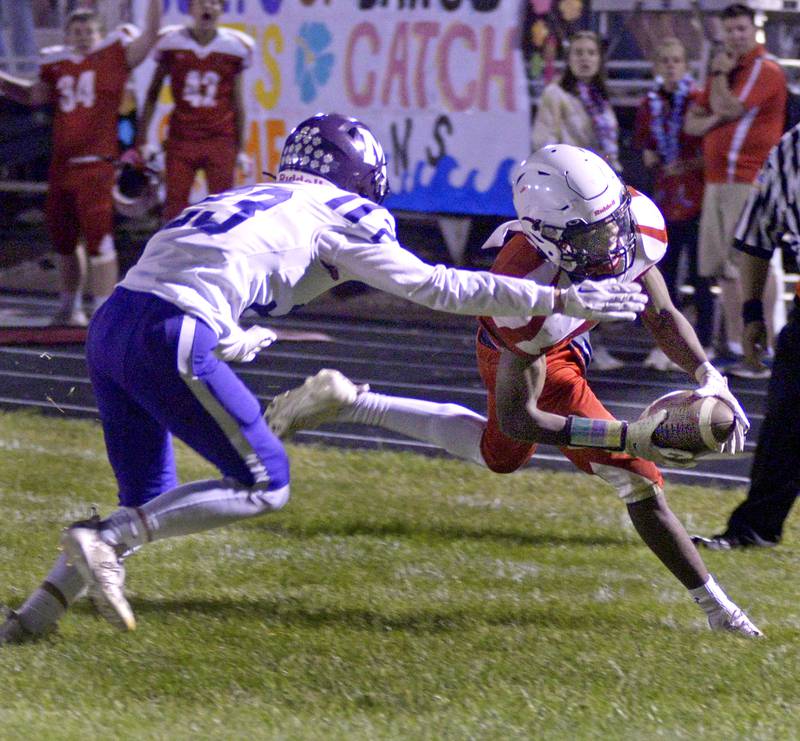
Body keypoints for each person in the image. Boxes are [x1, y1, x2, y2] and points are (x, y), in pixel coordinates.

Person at [0, 114, 649, 644]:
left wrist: (228, 333)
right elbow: (437, 285)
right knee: (265, 482)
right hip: (170, 327)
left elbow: (192, 264)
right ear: (360, 181)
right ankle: (104, 538)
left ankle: (35, 617)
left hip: (114, 322)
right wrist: (566, 302)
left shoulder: (243, 197)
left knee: (151, 494)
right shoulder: (345, 211)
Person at [266, 145, 762, 637]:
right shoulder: (521, 295)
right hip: (535, 350)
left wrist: (707, 374)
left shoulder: (627, 223)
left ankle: (720, 612)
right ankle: (355, 403)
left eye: (614, 224)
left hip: (568, 327)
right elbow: (518, 419)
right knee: (512, 456)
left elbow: (660, 313)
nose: (612, 245)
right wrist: (625, 437)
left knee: (635, 482)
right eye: (591, 237)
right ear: (546, 238)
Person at [0, 2, 161, 327]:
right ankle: (69, 305)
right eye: (76, 31)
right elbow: (34, 95)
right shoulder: (58, 64)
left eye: (89, 31)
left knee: (100, 239)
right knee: (63, 239)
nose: (83, 36)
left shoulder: (114, 56)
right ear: (67, 35)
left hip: (97, 166)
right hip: (62, 166)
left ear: (100, 33)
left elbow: (149, 37)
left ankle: (103, 311)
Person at [693, 123, 800, 550]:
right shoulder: (791, 149)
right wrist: (752, 310)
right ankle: (754, 529)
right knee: (784, 429)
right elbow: (759, 235)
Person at [684, 3, 786, 360]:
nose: (735, 36)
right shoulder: (724, 71)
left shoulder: (765, 69)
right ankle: (735, 346)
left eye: (741, 29)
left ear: (754, 30)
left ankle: (767, 344)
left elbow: (728, 109)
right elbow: (691, 124)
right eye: (730, 31)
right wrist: (718, 85)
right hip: (716, 180)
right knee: (723, 267)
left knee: (752, 262)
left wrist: (718, 86)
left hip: (749, 178)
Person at [531, 30, 624, 371]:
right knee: (576, 272)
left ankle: (590, 342)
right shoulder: (557, 94)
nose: (585, 58)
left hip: (600, 196)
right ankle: (574, 345)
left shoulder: (599, 96)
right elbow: (543, 141)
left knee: (601, 270)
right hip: (571, 196)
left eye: (591, 53)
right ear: (570, 59)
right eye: (579, 53)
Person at [634, 37, 714, 372]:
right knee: (663, 279)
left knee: (701, 276)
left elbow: (709, 149)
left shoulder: (697, 100)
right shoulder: (648, 103)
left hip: (695, 200)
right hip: (664, 204)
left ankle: (705, 344)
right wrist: (649, 155)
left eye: (676, 60)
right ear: (656, 66)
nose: (670, 66)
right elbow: (645, 146)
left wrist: (688, 166)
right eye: (664, 60)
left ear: (686, 65)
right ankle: (667, 346)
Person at [137, 0, 254, 222]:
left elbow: (237, 102)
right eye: (201, 3)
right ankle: (171, 256)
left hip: (220, 138)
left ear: (221, 9)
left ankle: (219, 256)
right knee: (174, 209)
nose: (207, 8)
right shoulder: (171, 43)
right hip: (182, 138)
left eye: (214, 3)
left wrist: (240, 148)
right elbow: (153, 93)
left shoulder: (234, 47)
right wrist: (141, 138)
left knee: (221, 209)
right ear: (190, 8)